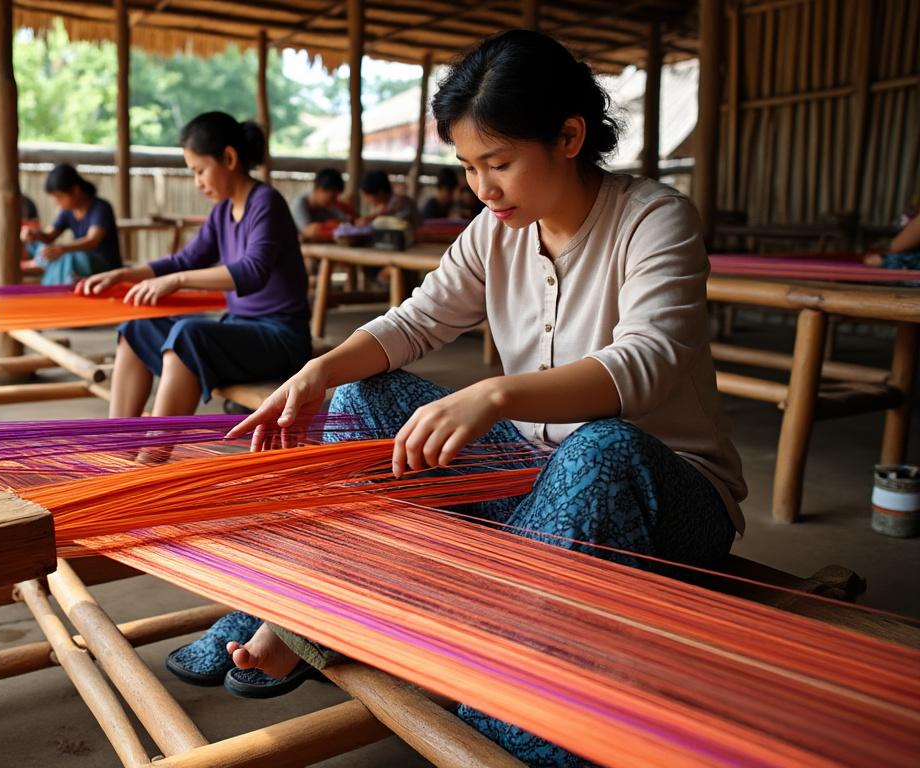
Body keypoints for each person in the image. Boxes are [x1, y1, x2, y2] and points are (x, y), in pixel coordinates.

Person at [172, 30, 748, 767]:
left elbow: (650, 361)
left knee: (601, 449)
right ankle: (301, 607)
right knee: (365, 392)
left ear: (569, 136)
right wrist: (320, 370)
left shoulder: (655, 220)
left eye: (499, 163)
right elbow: (415, 321)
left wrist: (496, 394)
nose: (482, 187)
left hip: (662, 496)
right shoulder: (495, 231)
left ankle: (487, 692)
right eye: (469, 166)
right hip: (530, 484)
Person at [77, 112, 312, 419]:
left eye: (200, 170)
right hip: (239, 328)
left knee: (189, 335)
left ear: (229, 158)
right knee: (137, 329)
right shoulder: (222, 211)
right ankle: (118, 442)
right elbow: (185, 260)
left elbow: (253, 271)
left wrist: (177, 281)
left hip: (281, 339)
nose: (197, 183)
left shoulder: (266, 202)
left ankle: (151, 461)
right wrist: (125, 274)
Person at [23, 164, 122, 285]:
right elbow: (49, 236)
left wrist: (62, 249)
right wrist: (35, 234)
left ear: (75, 190)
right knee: (60, 255)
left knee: (69, 257)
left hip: (106, 267)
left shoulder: (101, 207)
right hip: (83, 264)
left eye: (60, 197)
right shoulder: (67, 212)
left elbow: (92, 241)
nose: (57, 202)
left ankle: (56, 290)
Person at [291, 168, 350, 241]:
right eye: (332, 197)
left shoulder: (327, 205)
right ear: (319, 189)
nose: (334, 201)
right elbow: (309, 231)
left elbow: (345, 221)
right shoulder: (300, 204)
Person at [356, 170, 422, 228]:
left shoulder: (402, 203)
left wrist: (371, 219)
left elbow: (396, 222)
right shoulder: (378, 206)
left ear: (380, 193)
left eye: (367, 196)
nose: (366, 200)